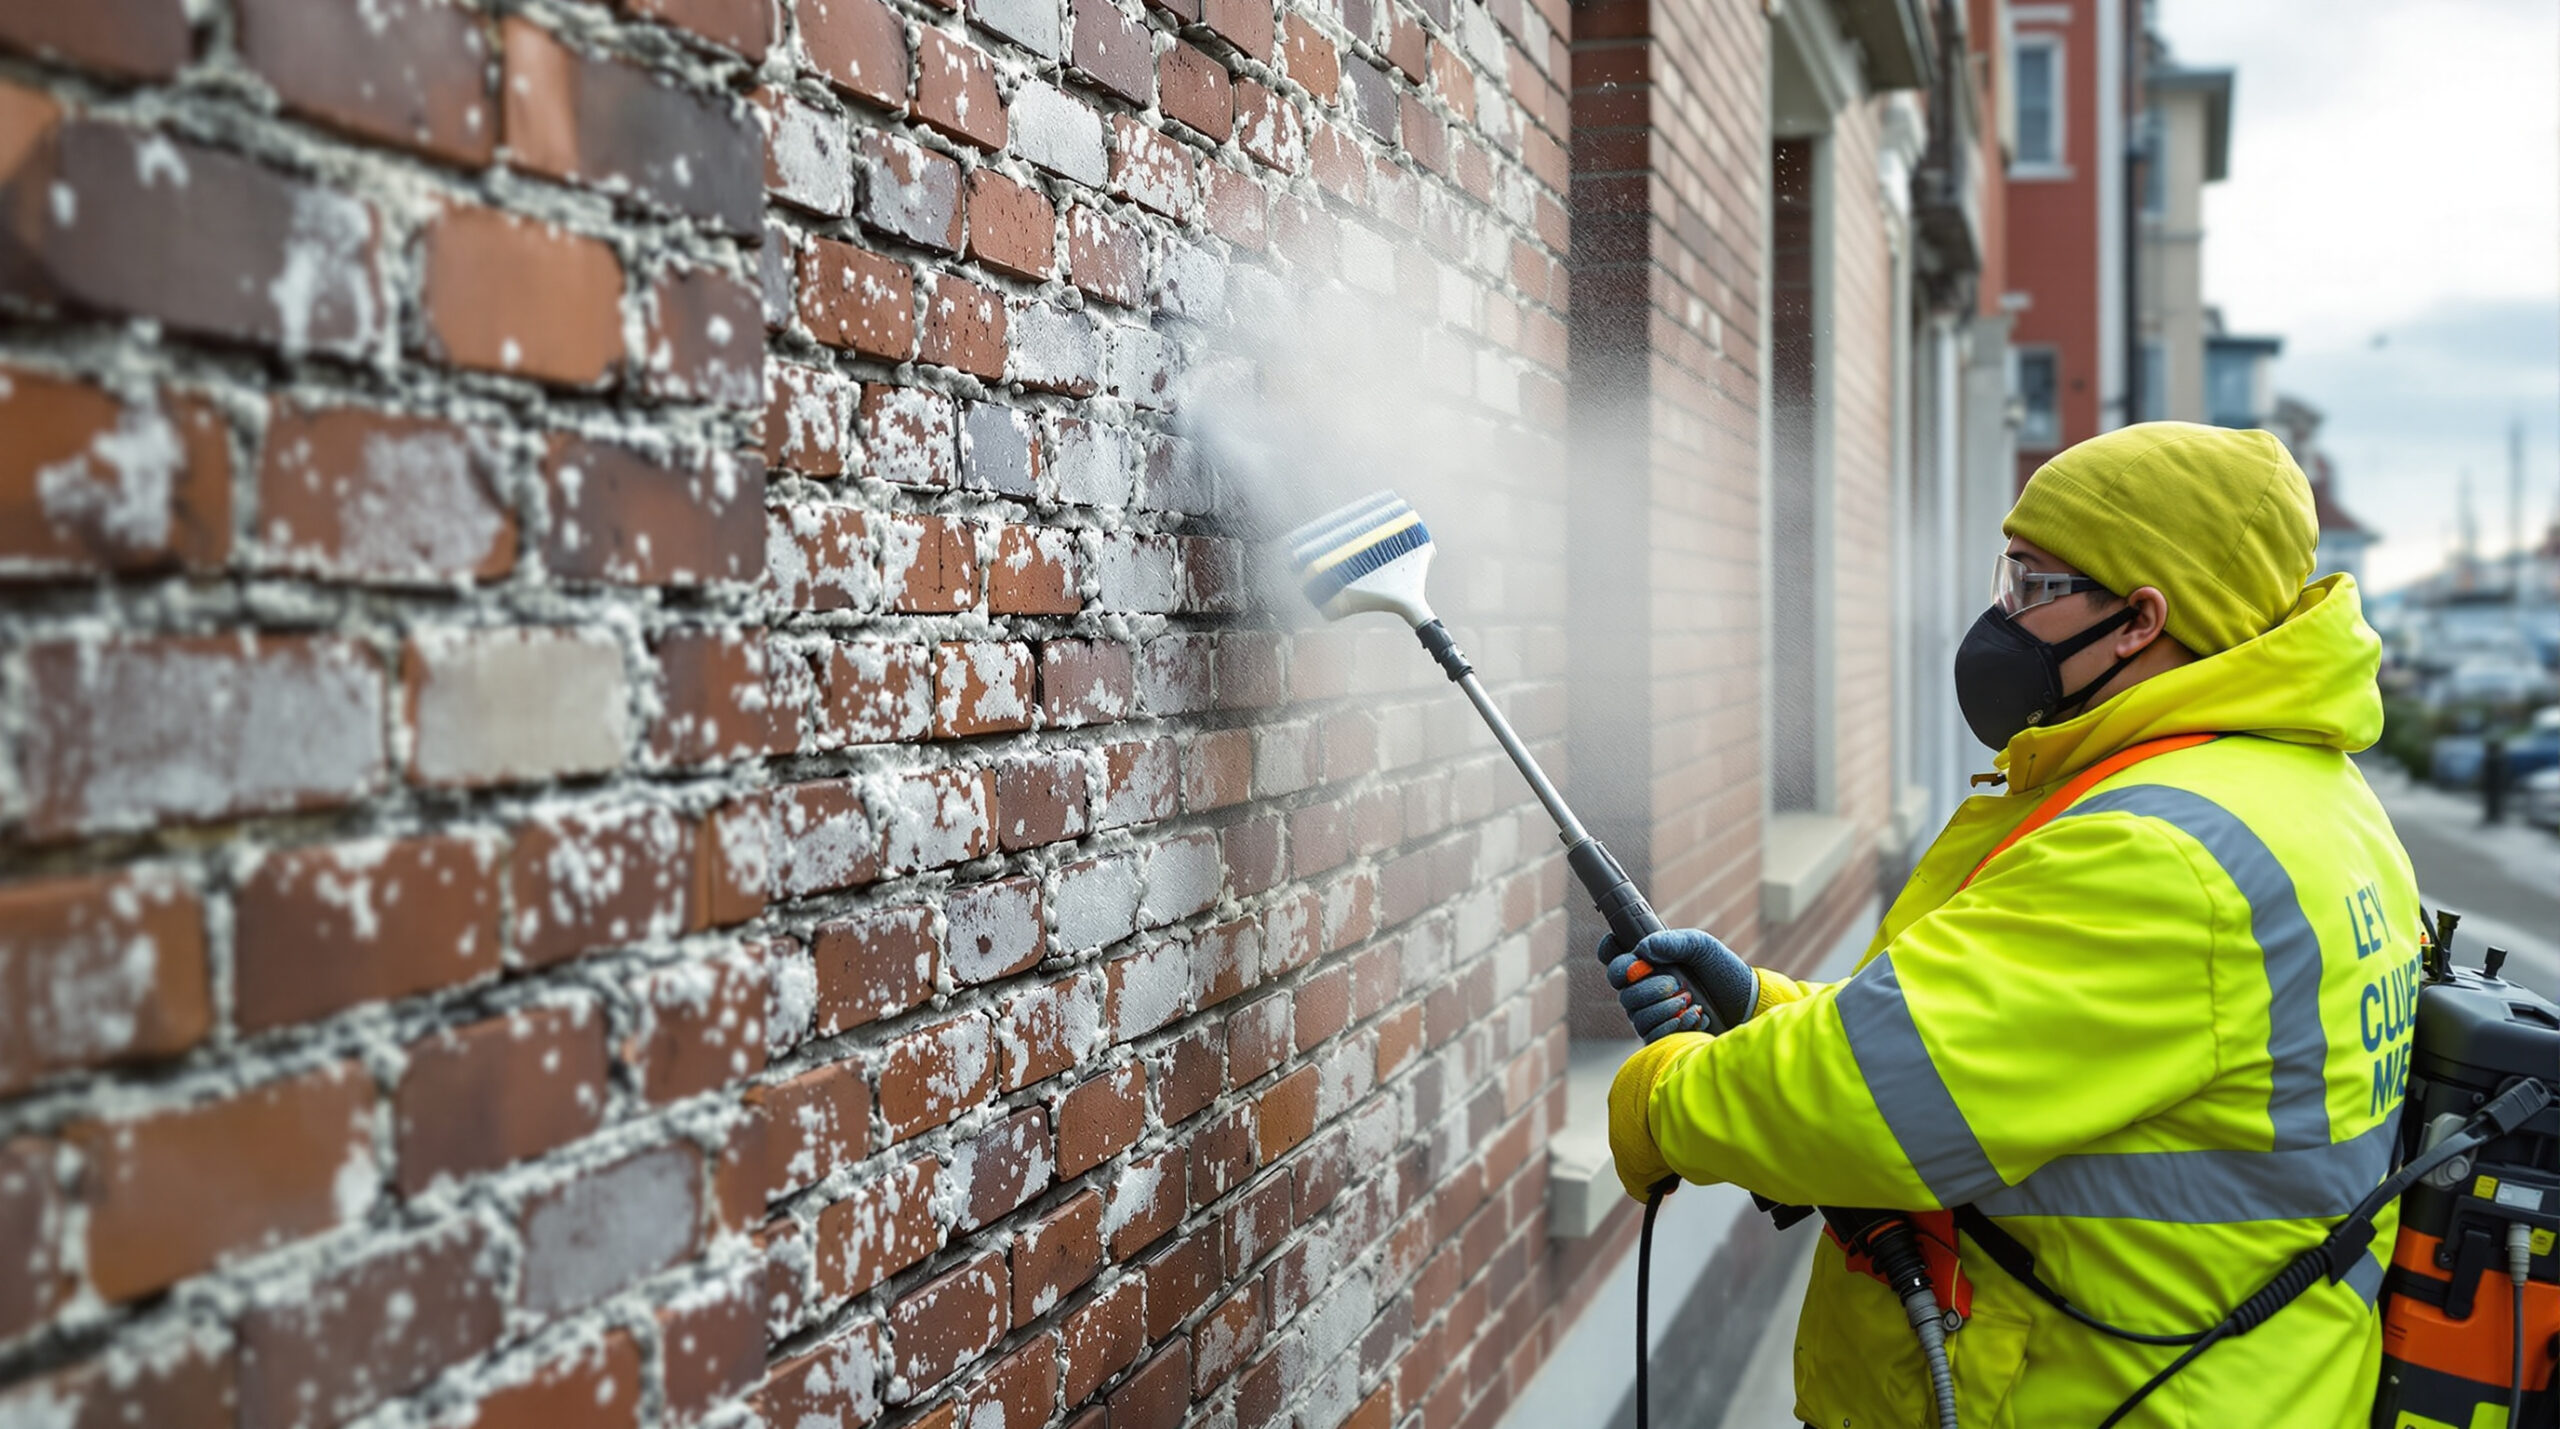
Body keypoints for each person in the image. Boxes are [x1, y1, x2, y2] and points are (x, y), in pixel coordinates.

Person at [1602, 422, 2425, 1427]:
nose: (2001, 614)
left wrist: (1660, 1099)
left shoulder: (2159, 851)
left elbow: (1876, 1101)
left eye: (2032, 585)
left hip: (2098, 1397)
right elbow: (2028, 1048)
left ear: (2139, 619)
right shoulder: (2311, 799)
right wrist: (1774, 1008)